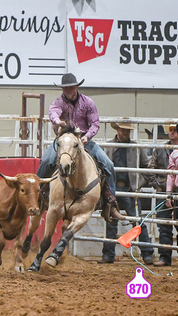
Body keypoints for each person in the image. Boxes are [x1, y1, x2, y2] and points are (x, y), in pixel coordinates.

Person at [36, 73, 121, 221]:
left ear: (76, 87)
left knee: (108, 164)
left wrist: (87, 136)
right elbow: (53, 113)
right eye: (65, 87)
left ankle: (110, 202)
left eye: (70, 87)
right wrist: (58, 122)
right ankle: (37, 196)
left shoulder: (88, 102)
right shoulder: (58, 103)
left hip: (84, 141)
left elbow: (95, 123)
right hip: (63, 140)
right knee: (46, 161)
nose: (68, 89)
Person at [98, 122, 153, 265]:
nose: (125, 133)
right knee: (113, 222)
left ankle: (147, 253)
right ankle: (109, 254)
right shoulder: (110, 146)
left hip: (128, 189)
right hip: (113, 191)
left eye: (127, 131)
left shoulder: (135, 147)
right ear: (117, 130)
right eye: (123, 130)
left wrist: (137, 183)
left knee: (138, 221)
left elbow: (146, 167)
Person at [151, 124, 178, 266]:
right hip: (165, 190)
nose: (171, 133)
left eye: (174, 130)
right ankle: (165, 256)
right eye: (170, 130)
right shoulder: (161, 150)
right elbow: (151, 169)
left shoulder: (175, 150)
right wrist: (158, 185)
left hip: (177, 191)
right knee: (164, 224)